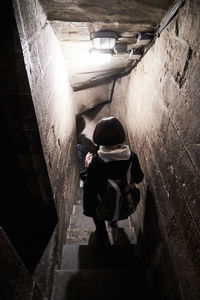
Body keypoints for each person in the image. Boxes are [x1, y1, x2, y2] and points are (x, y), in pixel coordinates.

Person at [83, 117, 144, 244]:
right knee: (116, 198)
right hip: (123, 199)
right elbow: (139, 178)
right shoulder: (131, 156)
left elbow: (90, 189)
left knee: (98, 209)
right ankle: (113, 221)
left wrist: (88, 167)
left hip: (101, 201)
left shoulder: (97, 162)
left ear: (98, 137)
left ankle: (103, 234)